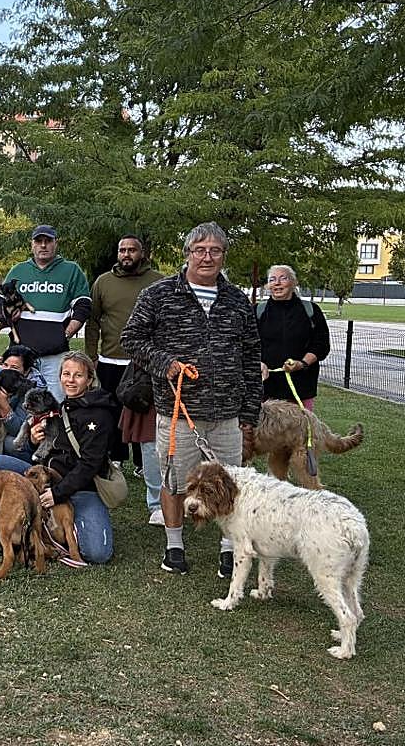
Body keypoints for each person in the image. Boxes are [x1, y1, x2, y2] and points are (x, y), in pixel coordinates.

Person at [122, 221, 262, 577]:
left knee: (232, 483)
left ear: (223, 256)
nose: (207, 257)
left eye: (215, 250)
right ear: (187, 254)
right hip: (178, 412)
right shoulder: (159, 294)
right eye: (199, 250)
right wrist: (165, 363)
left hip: (227, 415)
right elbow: (132, 339)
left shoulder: (237, 301)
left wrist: (249, 411)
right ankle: (174, 546)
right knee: (176, 481)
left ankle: (229, 549)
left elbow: (250, 355)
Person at [85, 234, 165, 524]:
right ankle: (114, 458)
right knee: (111, 416)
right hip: (109, 361)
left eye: (132, 249)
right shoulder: (103, 282)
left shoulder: (158, 281)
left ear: (141, 253)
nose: (126, 254)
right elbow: (93, 321)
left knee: (143, 420)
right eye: (122, 249)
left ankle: (145, 467)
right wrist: (90, 354)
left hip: (144, 365)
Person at [18, 351, 116, 565]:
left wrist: (57, 494)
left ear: (89, 379)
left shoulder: (100, 415)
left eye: (78, 375)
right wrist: (34, 439)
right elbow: (48, 448)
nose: (70, 380)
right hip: (47, 478)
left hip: (82, 489)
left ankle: (62, 526)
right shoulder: (62, 407)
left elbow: (90, 464)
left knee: (98, 554)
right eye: (66, 374)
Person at [3, 224, 91, 402]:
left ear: (55, 244)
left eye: (48, 241)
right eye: (39, 241)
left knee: (55, 403)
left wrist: (64, 335)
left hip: (55, 357)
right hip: (21, 357)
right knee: (17, 403)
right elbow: (2, 302)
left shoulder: (71, 270)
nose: (43, 245)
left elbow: (83, 306)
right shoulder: (18, 271)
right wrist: (7, 315)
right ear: (32, 245)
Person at [258, 264, 329, 411]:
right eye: (272, 279)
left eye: (283, 278)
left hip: (301, 387)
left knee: (299, 430)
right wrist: (257, 363)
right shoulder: (258, 311)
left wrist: (302, 363)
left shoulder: (310, 310)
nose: (277, 283)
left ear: (294, 282)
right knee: (267, 431)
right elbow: (247, 344)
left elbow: (321, 344)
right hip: (266, 388)